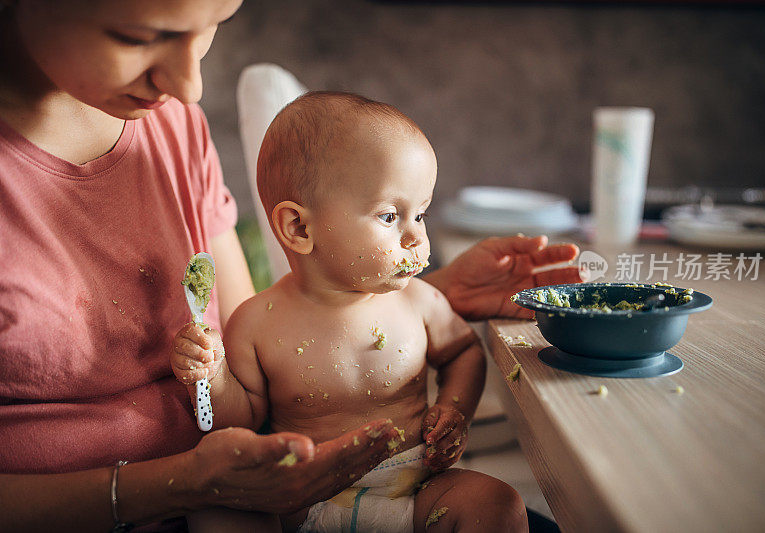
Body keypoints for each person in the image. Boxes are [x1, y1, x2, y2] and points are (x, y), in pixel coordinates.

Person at [0, 0, 581, 531]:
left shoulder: (171, 123)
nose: (190, 87)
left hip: (293, 481)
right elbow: (244, 385)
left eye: (210, 30)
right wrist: (186, 472)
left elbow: (291, 334)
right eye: (136, 36)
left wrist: (414, 292)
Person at [172, 91, 529, 533]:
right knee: (214, 514)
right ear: (299, 228)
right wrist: (210, 377)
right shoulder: (258, 323)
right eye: (388, 216)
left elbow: (463, 352)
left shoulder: (418, 301)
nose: (415, 237)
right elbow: (237, 420)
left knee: (497, 504)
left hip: (415, 492)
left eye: (420, 214)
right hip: (300, 501)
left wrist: (453, 410)